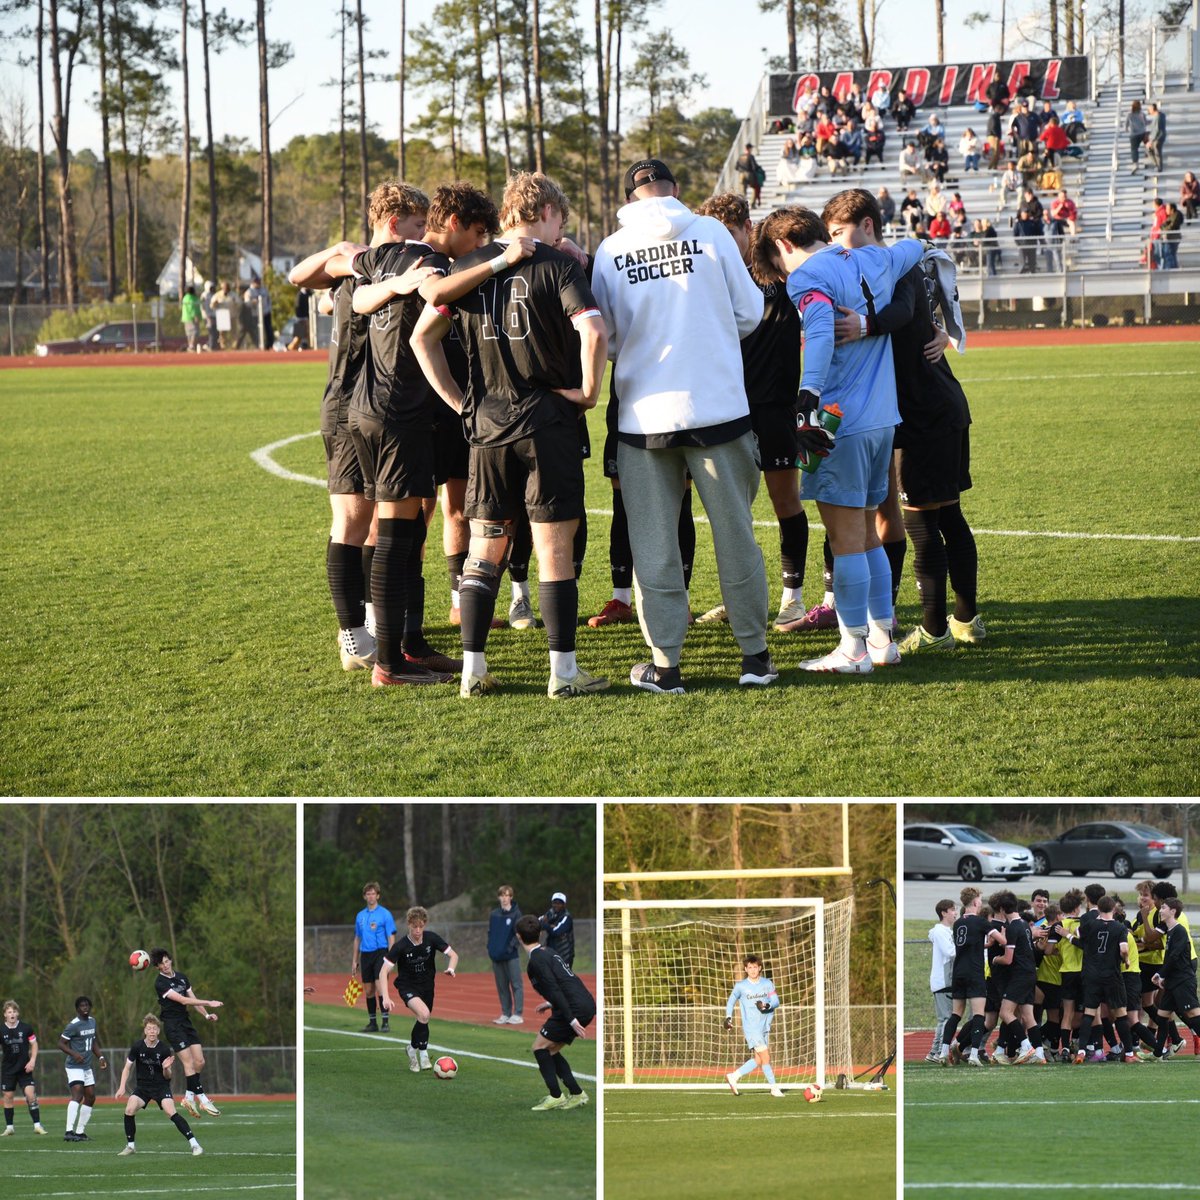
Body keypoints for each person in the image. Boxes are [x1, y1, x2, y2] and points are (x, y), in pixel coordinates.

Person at [411, 172, 609, 699]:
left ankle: (472, 669)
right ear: (545, 211)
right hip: (546, 424)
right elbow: (593, 329)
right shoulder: (558, 263)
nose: (561, 228)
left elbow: (421, 339)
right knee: (552, 548)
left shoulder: (468, 267)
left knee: (485, 548)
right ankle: (563, 674)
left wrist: (461, 403)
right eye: (560, 218)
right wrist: (589, 391)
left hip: (488, 429)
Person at [590, 158, 773, 694]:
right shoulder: (711, 231)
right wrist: (708, 338)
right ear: (674, 189)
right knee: (736, 535)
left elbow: (610, 337)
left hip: (645, 415)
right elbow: (749, 312)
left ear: (631, 195)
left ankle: (666, 665)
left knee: (653, 544)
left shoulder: (612, 248)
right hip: (718, 406)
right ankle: (755, 658)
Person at [756, 194, 925, 674]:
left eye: (775, 264)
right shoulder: (875, 255)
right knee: (869, 534)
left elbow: (822, 329)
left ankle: (852, 649)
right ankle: (880, 639)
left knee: (845, 536)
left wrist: (807, 394)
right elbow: (916, 247)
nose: (782, 277)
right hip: (881, 420)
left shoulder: (808, 276)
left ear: (784, 244)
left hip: (839, 420)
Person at [828, 201, 983, 653]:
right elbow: (918, 313)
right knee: (948, 518)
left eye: (840, 231)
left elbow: (899, 312)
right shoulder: (880, 267)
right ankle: (967, 621)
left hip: (925, 416)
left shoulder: (894, 267)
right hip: (937, 408)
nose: (836, 243)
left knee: (923, 525)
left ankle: (935, 630)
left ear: (868, 225)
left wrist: (863, 324)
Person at [695, 193, 810, 630]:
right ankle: (739, 599)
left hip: (776, 407)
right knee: (732, 514)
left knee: (786, 502)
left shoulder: (776, 271)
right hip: (728, 408)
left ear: (748, 228)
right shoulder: (711, 277)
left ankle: (792, 598)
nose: (722, 244)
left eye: (729, 234)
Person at [514, 914, 593, 1111]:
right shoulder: (548, 952)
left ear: (518, 936)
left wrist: (572, 1019)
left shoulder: (537, 961)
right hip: (584, 1003)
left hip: (573, 1008)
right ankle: (576, 1093)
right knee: (550, 1050)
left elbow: (556, 989)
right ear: (540, 933)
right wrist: (550, 1003)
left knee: (539, 1048)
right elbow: (566, 982)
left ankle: (556, 1096)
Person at [378, 905, 459, 1073]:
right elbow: (383, 970)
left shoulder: (431, 938)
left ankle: (411, 1049)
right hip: (407, 986)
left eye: (421, 926)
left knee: (423, 1018)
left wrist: (451, 968)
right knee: (424, 1014)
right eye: (414, 926)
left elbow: (453, 955)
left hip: (427, 986)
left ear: (425, 924)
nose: (417, 930)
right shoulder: (401, 946)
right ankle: (423, 1053)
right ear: (409, 924)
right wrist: (385, 997)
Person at [115, 1013, 202, 1157]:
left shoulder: (163, 1049)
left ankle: (195, 1144)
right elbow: (127, 1068)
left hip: (161, 1087)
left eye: (154, 1029)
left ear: (158, 1031)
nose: (152, 1032)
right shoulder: (137, 1046)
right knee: (129, 1109)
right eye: (149, 1029)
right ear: (145, 1030)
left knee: (170, 1112)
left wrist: (166, 1068)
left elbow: (168, 1076)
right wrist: (122, 1086)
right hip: (142, 1088)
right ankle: (130, 1146)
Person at [150, 949, 223, 1117]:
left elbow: (192, 998)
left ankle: (189, 1097)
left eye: (167, 961)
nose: (166, 965)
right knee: (188, 1063)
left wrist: (206, 1014)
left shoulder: (182, 977)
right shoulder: (160, 983)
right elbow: (183, 1000)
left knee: (200, 1061)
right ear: (157, 967)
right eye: (162, 963)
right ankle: (203, 1100)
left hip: (186, 1023)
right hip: (173, 1025)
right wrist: (209, 1002)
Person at [722, 954, 783, 1097]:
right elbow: (731, 1002)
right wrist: (728, 1018)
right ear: (746, 969)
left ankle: (734, 1076)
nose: (753, 970)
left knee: (758, 1060)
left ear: (760, 968)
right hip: (751, 1028)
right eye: (750, 967)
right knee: (766, 1057)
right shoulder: (740, 986)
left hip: (764, 1026)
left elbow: (776, 1001)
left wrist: (767, 1005)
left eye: (755, 967)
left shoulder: (767, 983)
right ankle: (774, 1088)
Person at [1150, 897, 1200, 1057]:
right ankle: (1158, 1054)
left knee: (1193, 1014)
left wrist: (1160, 973)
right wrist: (1164, 977)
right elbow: (1170, 957)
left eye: (1163, 907)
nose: (1160, 910)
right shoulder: (1170, 931)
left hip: (1183, 980)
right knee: (1162, 1016)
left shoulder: (1179, 930)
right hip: (1172, 981)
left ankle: (1158, 1053)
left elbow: (1175, 956)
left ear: (1173, 911)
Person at [59, 996, 107, 1141]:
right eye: (82, 1006)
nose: (85, 1007)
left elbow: (92, 1042)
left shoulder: (92, 1021)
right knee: (78, 1095)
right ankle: (68, 1132)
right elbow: (61, 1043)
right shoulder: (73, 1025)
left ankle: (80, 1132)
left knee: (91, 1097)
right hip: (74, 1066)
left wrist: (100, 1057)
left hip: (86, 1066)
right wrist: (74, 1053)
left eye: (87, 1005)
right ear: (77, 1009)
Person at [352, 881, 397, 1032]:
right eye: (368, 894)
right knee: (369, 989)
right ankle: (373, 1023)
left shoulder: (385, 914)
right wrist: (354, 960)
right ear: (365, 896)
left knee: (380, 986)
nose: (371, 896)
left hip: (381, 953)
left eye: (373, 893)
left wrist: (392, 956)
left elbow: (391, 937)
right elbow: (357, 938)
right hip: (366, 954)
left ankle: (385, 1021)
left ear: (378, 896)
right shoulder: (360, 916)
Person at [1, 1000, 46, 1136]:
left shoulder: (26, 1028)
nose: (12, 1014)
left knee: (30, 1095)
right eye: (9, 1012)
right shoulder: (1, 1030)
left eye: (14, 1011)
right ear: (5, 1015)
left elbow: (34, 1044)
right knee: (8, 1097)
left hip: (24, 1069)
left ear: (18, 1013)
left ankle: (37, 1126)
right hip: (8, 1069)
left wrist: (32, 1060)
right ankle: (10, 1128)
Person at [488, 884, 524, 1025]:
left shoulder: (516, 914)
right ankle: (505, 1013)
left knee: (516, 984)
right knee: (502, 986)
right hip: (496, 956)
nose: (504, 898)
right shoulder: (494, 914)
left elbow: (519, 935)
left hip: (511, 956)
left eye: (507, 895)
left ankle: (518, 1013)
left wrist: (510, 948)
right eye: (502, 895)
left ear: (511, 897)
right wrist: (490, 948)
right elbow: (490, 933)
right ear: (499, 897)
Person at [926, 900, 957, 1062]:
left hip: (948, 980)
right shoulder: (940, 932)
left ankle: (935, 1051)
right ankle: (936, 1051)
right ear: (943, 913)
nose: (955, 913)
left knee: (946, 1017)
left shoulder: (947, 932)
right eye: (952, 910)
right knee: (946, 1018)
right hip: (943, 980)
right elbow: (950, 952)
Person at [539, 891, 575, 967]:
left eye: (559, 903)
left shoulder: (566, 917)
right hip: (551, 952)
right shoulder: (550, 914)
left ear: (564, 904)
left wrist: (546, 926)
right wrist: (549, 926)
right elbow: (537, 922)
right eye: (555, 903)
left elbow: (556, 932)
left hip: (565, 954)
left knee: (564, 977)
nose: (556, 905)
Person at [247, 274, 273, 349]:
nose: (258, 282)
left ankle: (269, 345)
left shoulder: (264, 289)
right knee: (257, 330)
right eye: (256, 281)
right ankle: (258, 345)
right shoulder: (249, 291)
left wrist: (269, 309)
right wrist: (252, 302)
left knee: (268, 329)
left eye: (259, 281)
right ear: (253, 282)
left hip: (266, 312)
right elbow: (247, 303)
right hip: (256, 314)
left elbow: (269, 300)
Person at [1124, 99, 1147, 173]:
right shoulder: (1142, 114)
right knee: (1148, 144)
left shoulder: (1129, 114)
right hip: (1142, 133)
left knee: (1134, 149)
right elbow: (1145, 122)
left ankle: (1135, 164)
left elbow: (1126, 124)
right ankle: (1150, 154)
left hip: (1133, 134)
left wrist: (1126, 129)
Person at [1161, 201, 1183, 269]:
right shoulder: (1171, 216)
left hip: (1173, 237)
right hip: (1170, 237)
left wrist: (1164, 229)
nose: (1166, 211)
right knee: (1170, 254)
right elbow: (1163, 225)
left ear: (1172, 209)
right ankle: (1172, 268)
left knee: (1169, 254)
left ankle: (1171, 269)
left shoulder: (1177, 215)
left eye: (1167, 209)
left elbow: (1171, 226)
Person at [1147, 102, 1167, 172]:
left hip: (1158, 138)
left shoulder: (1158, 117)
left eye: (1149, 109)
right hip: (1158, 137)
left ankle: (1158, 167)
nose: (1148, 111)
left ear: (1153, 109)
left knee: (1156, 151)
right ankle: (1157, 165)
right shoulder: (1160, 115)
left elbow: (1157, 130)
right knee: (1150, 150)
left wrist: (1151, 141)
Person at [181, 285, 201, 352]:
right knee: (195, 332)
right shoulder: (190, 298)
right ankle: (191, 346)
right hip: (191, 318)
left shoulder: (186, 298)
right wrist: (195, 316)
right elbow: (191, 308)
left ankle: (190, 346)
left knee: (189, 333)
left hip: (186, 318)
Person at [200, 280, 216, 351]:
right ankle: (210, 346)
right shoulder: (204, 295)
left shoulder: (213, 295)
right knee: (211, 331)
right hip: (208, 316)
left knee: (214, 331)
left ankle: (209, 344)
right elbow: (203, 306)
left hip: (213, 315)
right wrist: (207, 316)